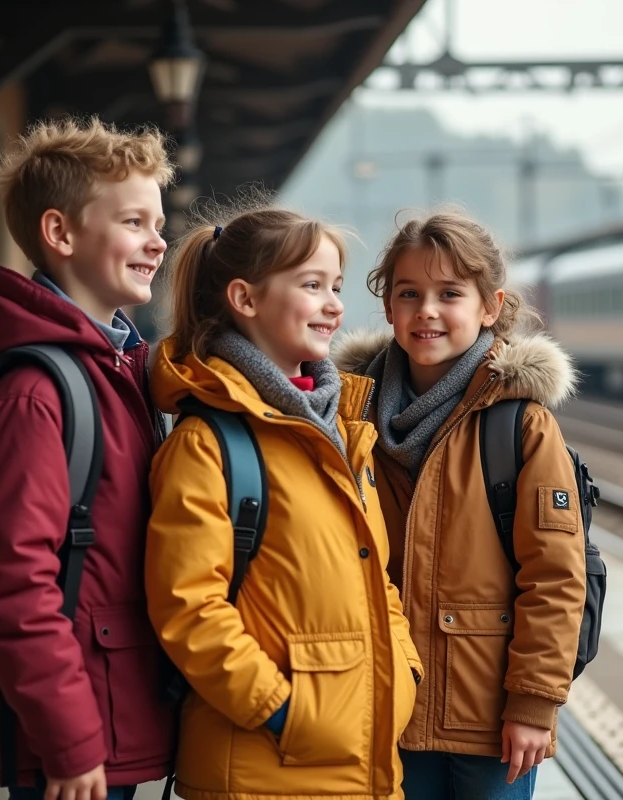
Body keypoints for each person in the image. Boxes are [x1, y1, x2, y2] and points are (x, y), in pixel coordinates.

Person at [0, 117, 176, 800]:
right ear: (60, 233)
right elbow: (11, 584)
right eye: (133, 221)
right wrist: (70, 741)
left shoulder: (115, 366)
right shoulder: (35, 394)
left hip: (110, 706)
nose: (158, 240)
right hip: (76, 732)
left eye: (158, 222)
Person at [145, 204, 422, 800]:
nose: (335, 306)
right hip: (264, 767)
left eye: (337, 287)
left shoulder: (338, 427)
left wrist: (404, 672)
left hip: (359, 756)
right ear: (245, 298)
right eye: (312, 285)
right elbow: (188, 608)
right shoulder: (207, 443)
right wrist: (282, 711)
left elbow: (374, 575)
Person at [333, 211, 586, 800]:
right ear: (388, 307)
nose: (427, 310)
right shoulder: (349, 417)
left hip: (488, 719)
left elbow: (555, 578)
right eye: (409, 294)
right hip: (383, 706)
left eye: (450, 294)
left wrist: (534, 703)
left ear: (490, 307)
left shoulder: (521, 427)